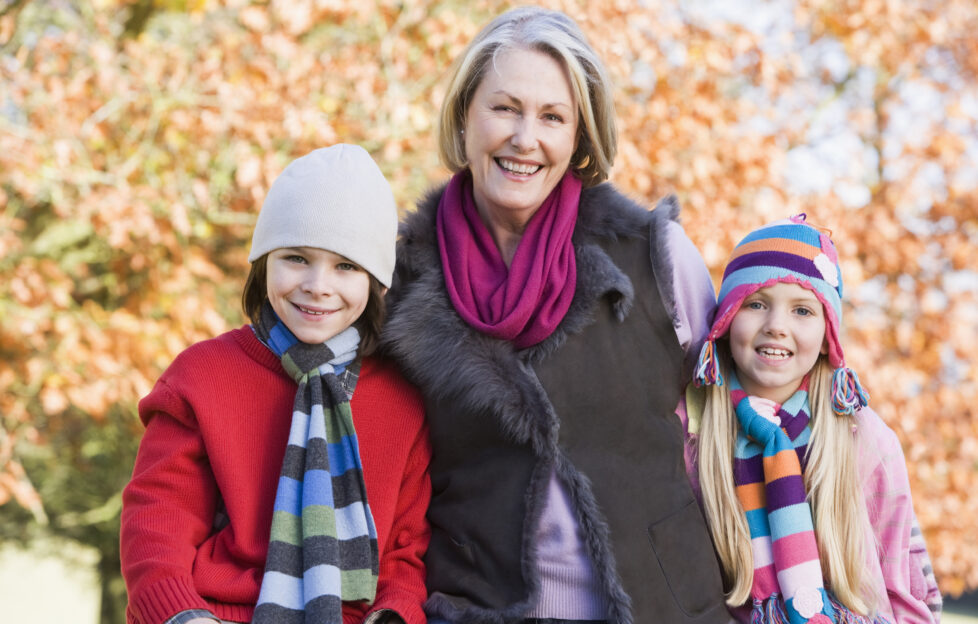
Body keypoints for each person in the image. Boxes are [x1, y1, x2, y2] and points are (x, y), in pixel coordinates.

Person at [380, 7, 730, 624]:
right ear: (465, 115)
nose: (525, 138)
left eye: (552, 117)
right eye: (504, 108)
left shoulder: (654, 255)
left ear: (579, 137)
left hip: (665, 608)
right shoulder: (399, 278)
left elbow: (747, 420)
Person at [120, 144, 431, 624]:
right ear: (264, 260)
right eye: (297, 257)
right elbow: (158, 520)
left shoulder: (402, 397)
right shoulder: (202, 376)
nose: (318, 284)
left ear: (376, 281)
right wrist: (182, 614)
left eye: (346, 265)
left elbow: (404, 552)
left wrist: (394, 613)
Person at [684, 214, 943, 623]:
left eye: (802, 311)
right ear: (727, 318)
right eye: (756, 303)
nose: (776, 326)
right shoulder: (694, 431)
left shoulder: (864, 437)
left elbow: (905, 578)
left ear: (828, 338)